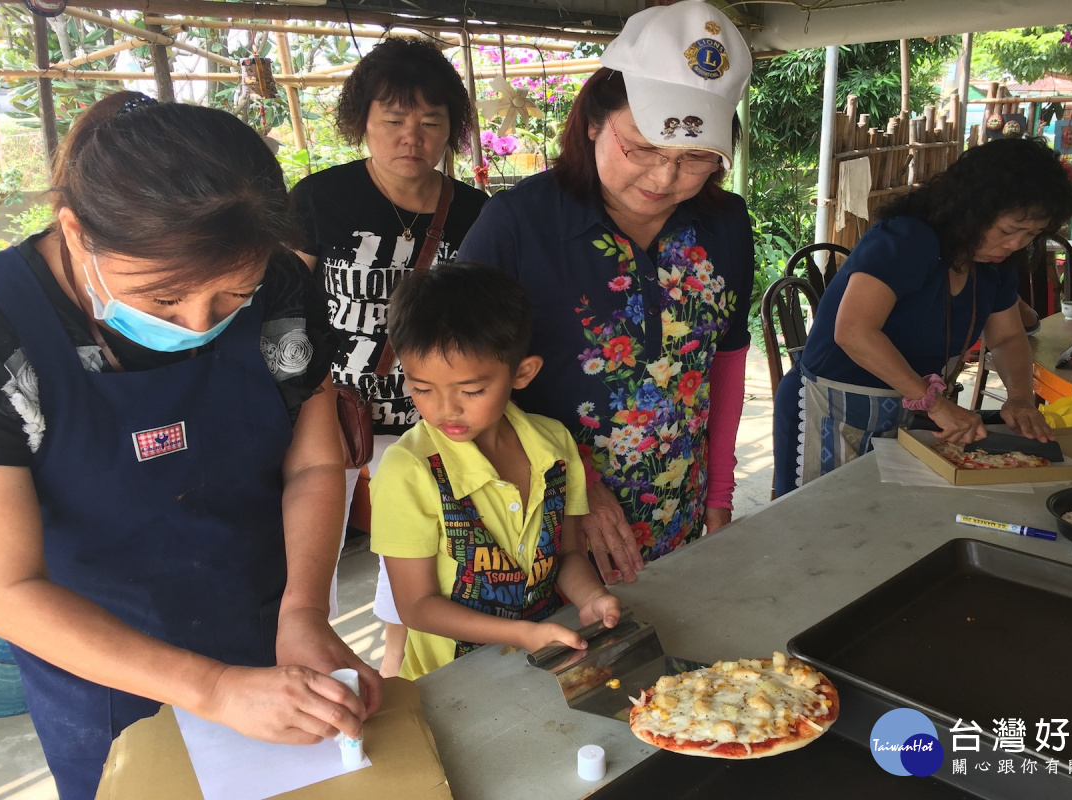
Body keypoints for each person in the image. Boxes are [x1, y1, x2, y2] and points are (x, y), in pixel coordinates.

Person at [0, 92, 381, 800]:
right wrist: (214, 689)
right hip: (101, 660)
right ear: (75, 229)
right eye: (163, 298)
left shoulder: (282, 290)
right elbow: (0, 588)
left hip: (267, 615)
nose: (199, 324)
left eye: (232, 297)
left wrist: (305, 612)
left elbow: (315, 460)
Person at [459, 0, 755, 583]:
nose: (665, 178)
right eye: (642, 148)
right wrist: (577, 484)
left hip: (677, 507)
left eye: (696, 157)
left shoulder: (724, 224)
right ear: (594, 120)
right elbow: (456, 380)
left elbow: (727, 360)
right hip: (541, 515)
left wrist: (718, 494)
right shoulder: (517, 225)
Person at [289, 37, 488, 677]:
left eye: (431, 122)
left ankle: (398, 666)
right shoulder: (321, 199)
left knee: (415, 546)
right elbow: (284, 304)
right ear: (363, 124)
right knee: (306, 551)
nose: (413, 137)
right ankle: (306, 663)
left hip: (428, 414)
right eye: (394, 120)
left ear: (451, 130)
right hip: (330, 410)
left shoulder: (476, 213)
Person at [772, 137, 1072, 497]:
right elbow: (855, 331)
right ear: (973, 209)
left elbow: (1007, 337)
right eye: (1007, 231)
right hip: (832, 405)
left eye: (1030, 235)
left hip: (904, 412)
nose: (1015, 245)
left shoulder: (992, 267)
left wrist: (1019, 398)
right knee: (820, 524)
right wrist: (935, 404)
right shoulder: (908, 239)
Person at [367, 264, 622, 679]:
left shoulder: (555, 446)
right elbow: (416, 606)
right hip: (449, 680)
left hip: (541, 661)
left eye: (470, 391)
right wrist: (521, 634)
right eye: (422, 389)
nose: (445, 409)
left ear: (522, 373)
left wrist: (591, 596)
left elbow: (567, 555)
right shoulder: (408, 470)